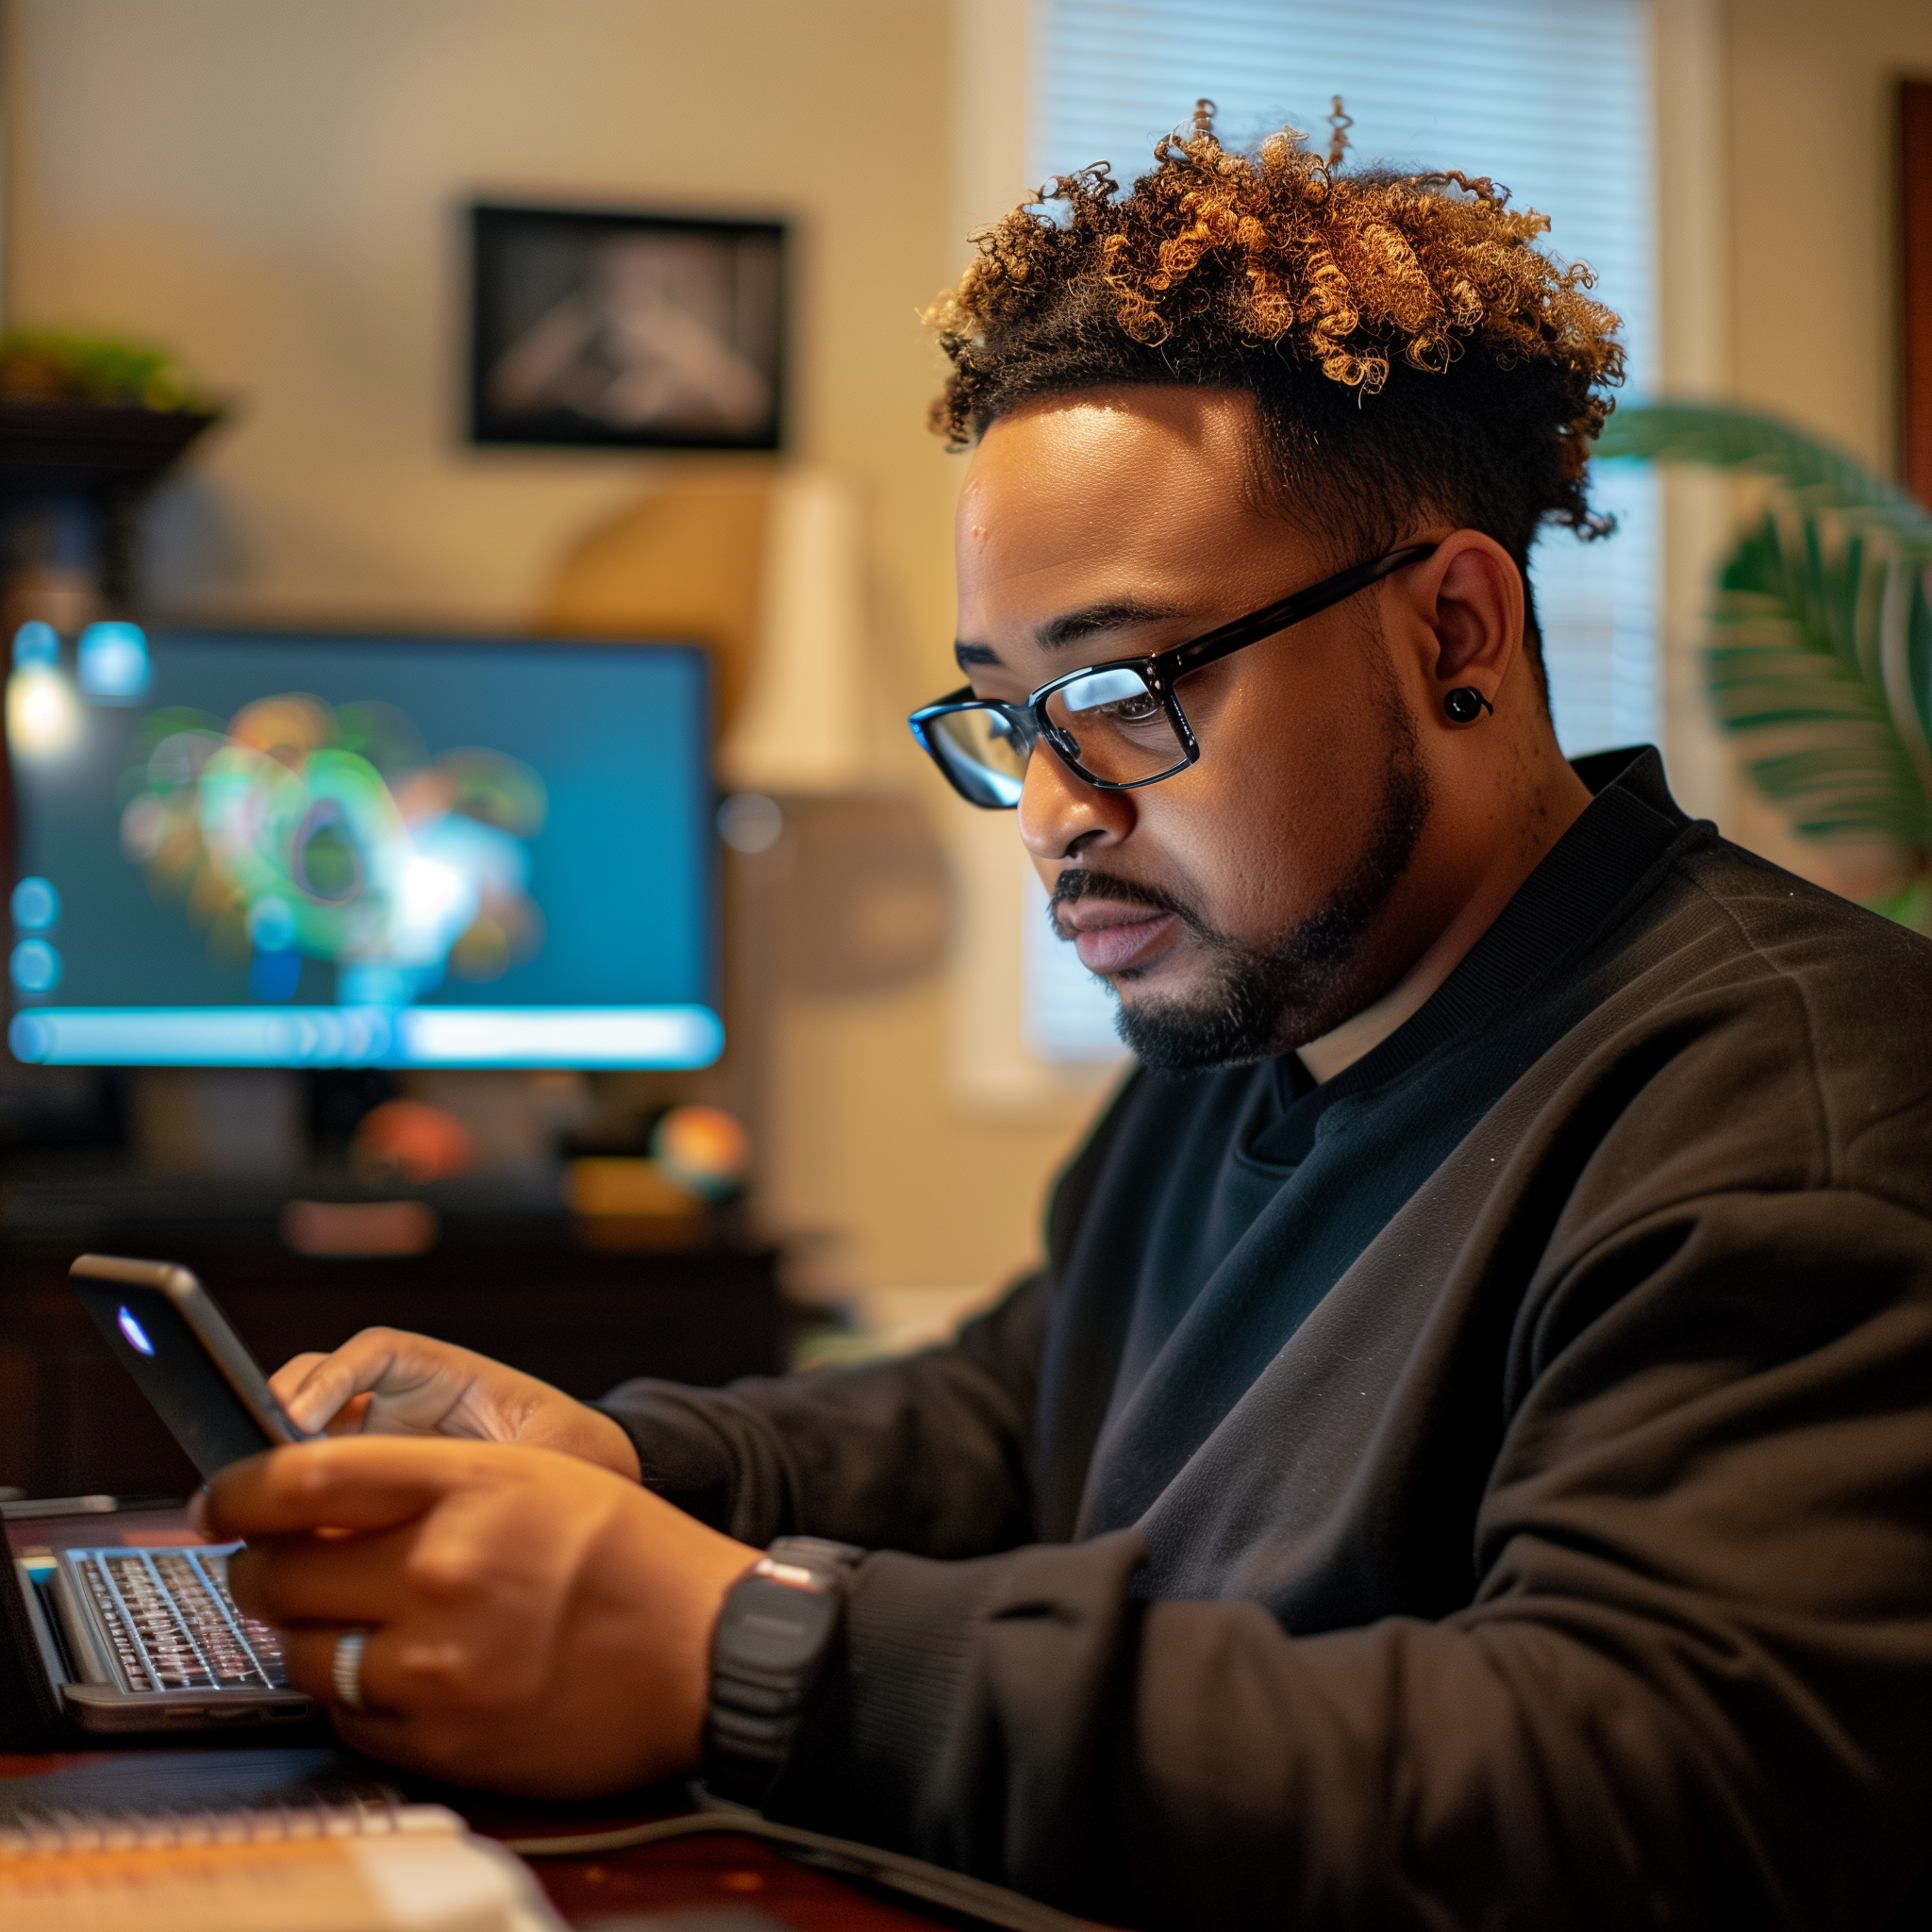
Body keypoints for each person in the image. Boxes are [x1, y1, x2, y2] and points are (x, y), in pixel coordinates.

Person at [209, 108, 1932, 1928]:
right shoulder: (1271, 995)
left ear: (1454, 632)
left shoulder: (1793, 1123)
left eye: (1121, 689)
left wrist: (752, 1652)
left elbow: (1632, 1786)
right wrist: (633, 1460)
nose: (1051, 811)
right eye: (1003, 715)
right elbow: (1021, 1414)